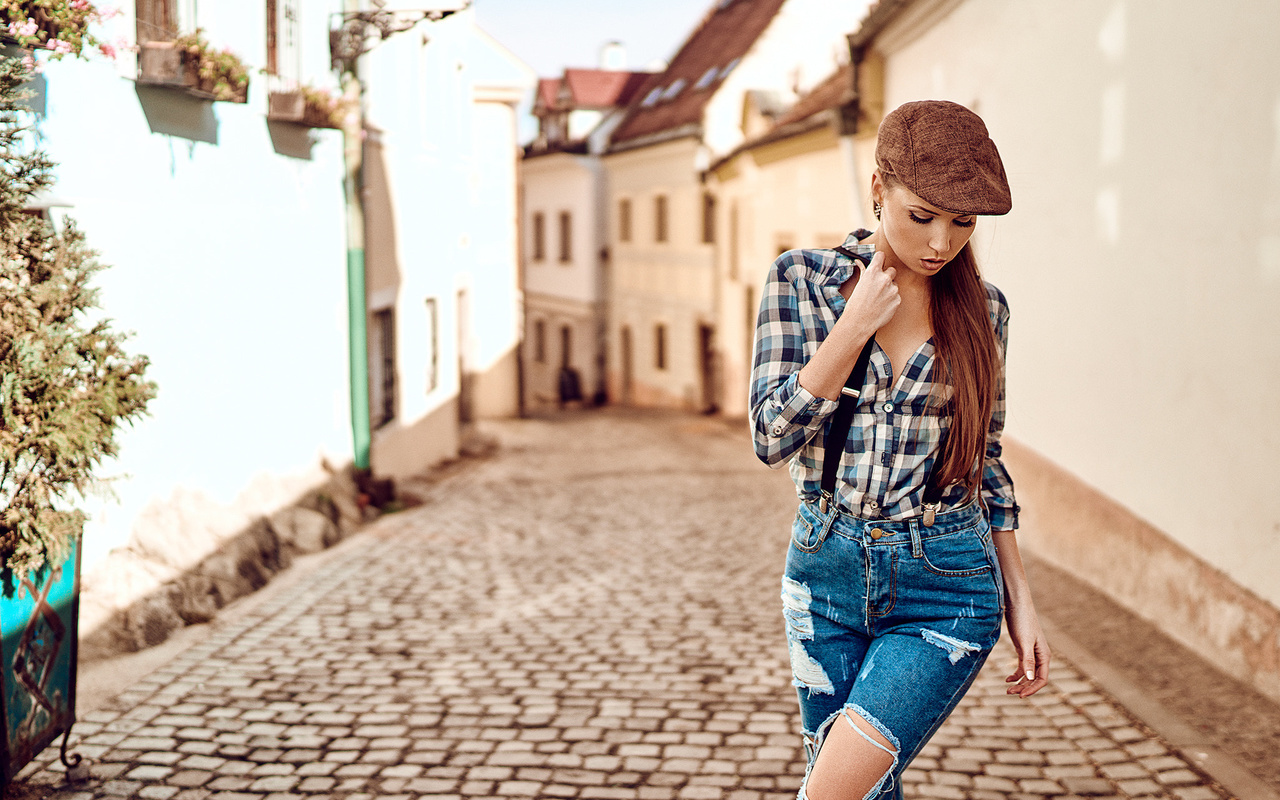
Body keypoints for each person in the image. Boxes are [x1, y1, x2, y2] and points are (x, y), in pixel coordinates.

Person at [749, 100, 1051, 800]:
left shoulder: (986, 309)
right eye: (923, 216)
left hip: (943, 584)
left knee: (829, 793)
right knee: (860, 790)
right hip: (823, 571)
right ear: (879, 189)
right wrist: (851, 329)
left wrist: (1020, 601)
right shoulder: (802, 282)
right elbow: (771, 436)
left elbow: (986, 459)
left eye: (963, 222)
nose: (942, 243)